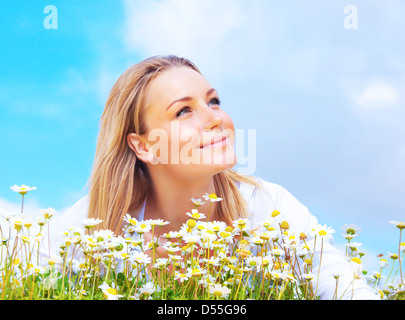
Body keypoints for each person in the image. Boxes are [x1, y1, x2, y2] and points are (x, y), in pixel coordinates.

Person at [45, 55, 379, 300]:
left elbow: (347, 290)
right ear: (143, 146)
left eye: (213, 101)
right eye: (184, 111)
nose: (214, 118)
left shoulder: (269, 208)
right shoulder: (90, 230)